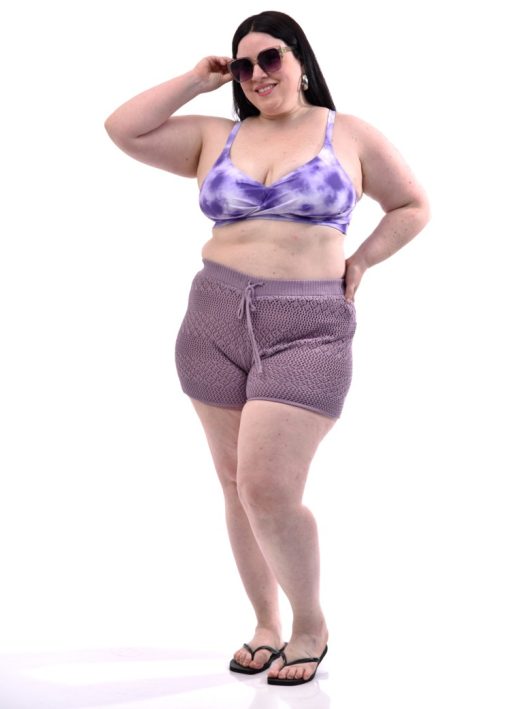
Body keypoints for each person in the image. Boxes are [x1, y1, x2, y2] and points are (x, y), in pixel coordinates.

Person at [104, 10, 430, 686]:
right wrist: (196, 80)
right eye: (244, 65)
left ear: (300, 60)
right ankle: (264, 624)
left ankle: (310, 624)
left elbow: (411, 205)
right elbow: (122, 128)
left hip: (308, 326)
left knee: (268, 488)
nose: (257, 74)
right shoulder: (216, 136)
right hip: (213, 320)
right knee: (234, 486)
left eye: (271, 58)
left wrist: (362, 261)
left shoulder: (349, 134)